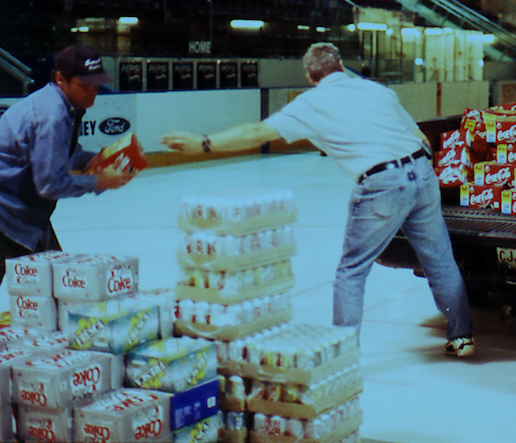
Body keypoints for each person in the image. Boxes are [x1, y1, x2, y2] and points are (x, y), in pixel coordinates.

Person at [161, 42, 475, 356]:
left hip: (382, 183)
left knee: (351, 272)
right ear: (341, 66)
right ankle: (462, 336)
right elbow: (420, 137)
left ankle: (344, 354)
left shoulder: (311, 103)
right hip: (420, 172)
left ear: (311, 77)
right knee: (440, 260)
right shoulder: (377, 91)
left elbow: (257, 132)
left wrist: (203, 143)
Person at [0, 44, 136, 284]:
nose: (92, 92)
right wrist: (98, 181)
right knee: (55, 286)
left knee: (57, 287)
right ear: (61, 79)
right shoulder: (51, 116)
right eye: (84, 86)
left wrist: (90, 159)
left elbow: (57, 151)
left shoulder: (59, 102)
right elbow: (49, 185)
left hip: (23, 213)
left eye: (96, 84)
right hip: (7, 216)